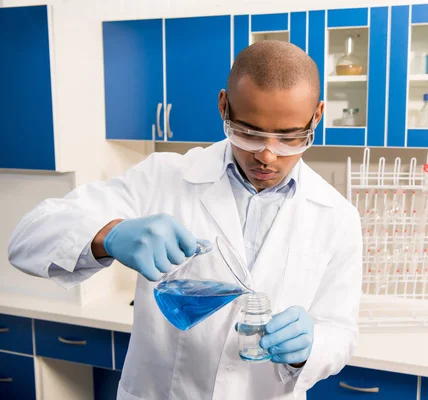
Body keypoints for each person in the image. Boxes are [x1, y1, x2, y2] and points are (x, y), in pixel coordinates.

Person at [8, 40, 362, 400]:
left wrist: (311, 346)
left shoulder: (338, 217)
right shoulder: (163, 178)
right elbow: (27, 238)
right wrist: (110, 235)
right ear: (224, 106)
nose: (268, 155)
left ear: (317, 116)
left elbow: (341, 332)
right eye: (249, 133)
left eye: (290, 138)